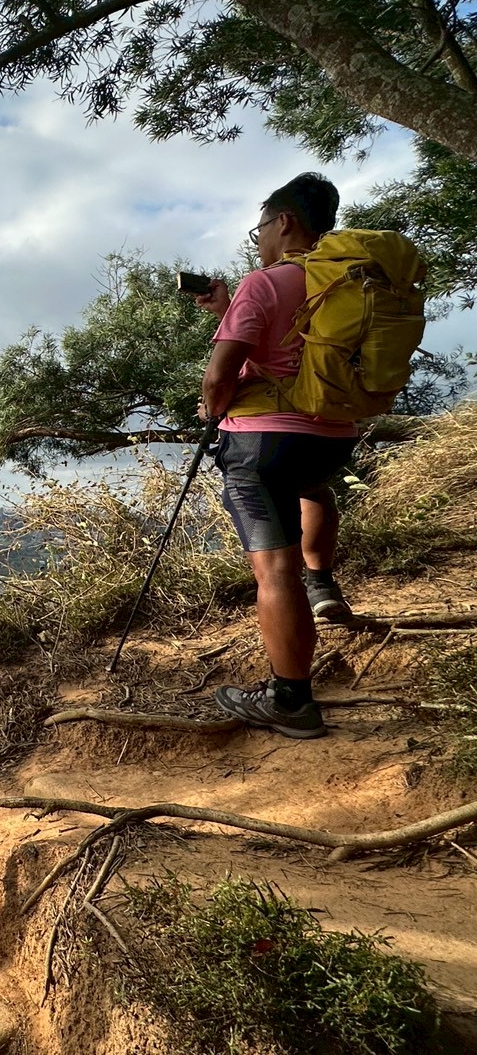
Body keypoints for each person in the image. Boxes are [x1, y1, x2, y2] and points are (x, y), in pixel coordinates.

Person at [194, 172, 358, 740]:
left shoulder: (264, 282)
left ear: (284, 222)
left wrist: (213, 413)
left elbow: (220, 376)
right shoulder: (347, 284)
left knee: (273, 568)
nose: (258, 238)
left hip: (262, 441)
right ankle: (323, 585)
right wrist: (226, 307)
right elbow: (294, 352)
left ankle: (291, 700)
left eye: (260, 226)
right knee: (311, 488)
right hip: (334, 436)